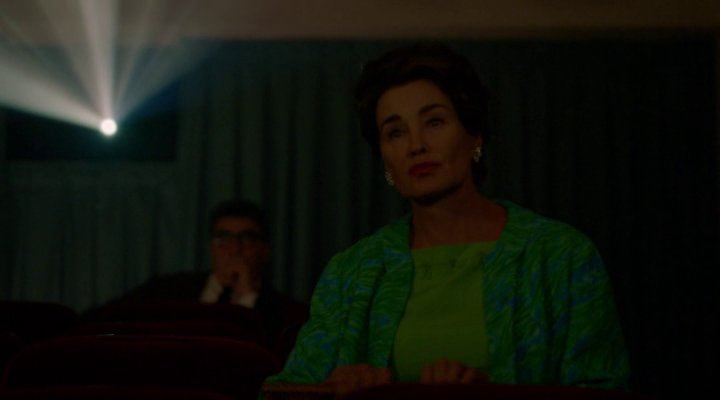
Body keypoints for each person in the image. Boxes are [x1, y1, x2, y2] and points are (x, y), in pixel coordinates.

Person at [265, 43, 629, 396]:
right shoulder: (350, 272)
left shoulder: (562, 256)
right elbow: (283, 393)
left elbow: (605, 391)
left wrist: (485, 396)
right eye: (395, 132)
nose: (416, 145)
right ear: (384, 159)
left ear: (475, 135)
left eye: (434, 122)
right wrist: (334, 390)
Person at [93, 199, 307, 341]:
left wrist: (247, 297)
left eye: (247, 238)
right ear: (211, 247)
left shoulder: (288, 315)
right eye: (223, 238)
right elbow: (106, 316)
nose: (234, 249)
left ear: (265, 250)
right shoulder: (167, 290)